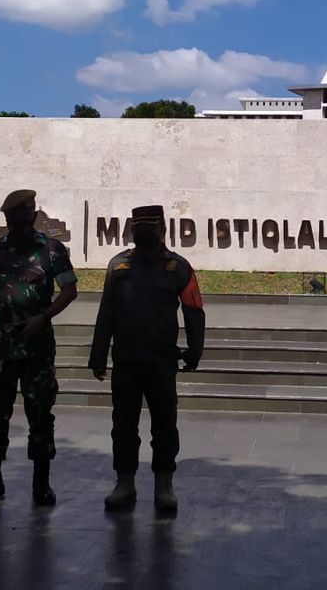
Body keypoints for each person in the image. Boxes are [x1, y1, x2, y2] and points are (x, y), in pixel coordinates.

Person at [0, 189, 78, 507]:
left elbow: (69, 291)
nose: (20, 220)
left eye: (26, 214)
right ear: (8, 218)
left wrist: (43, 317)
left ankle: (42, 484)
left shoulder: (51, 250)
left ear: (34, 215)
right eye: (15, 216)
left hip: (36, 348)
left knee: (40, 414)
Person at [89, 205, 206, 513]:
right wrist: (98, 352)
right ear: (132, 231)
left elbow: (194, 311)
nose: (144, 234)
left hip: (161, 360)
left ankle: (164, 484)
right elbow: (106, 312)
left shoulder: (178, 267)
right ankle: (124, 483)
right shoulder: (118, 265)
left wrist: (195, 350)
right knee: (123, 425)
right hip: (126, 360)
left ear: (162, 230)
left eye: (150, 229)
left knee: (165, 425)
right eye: (139, 229)